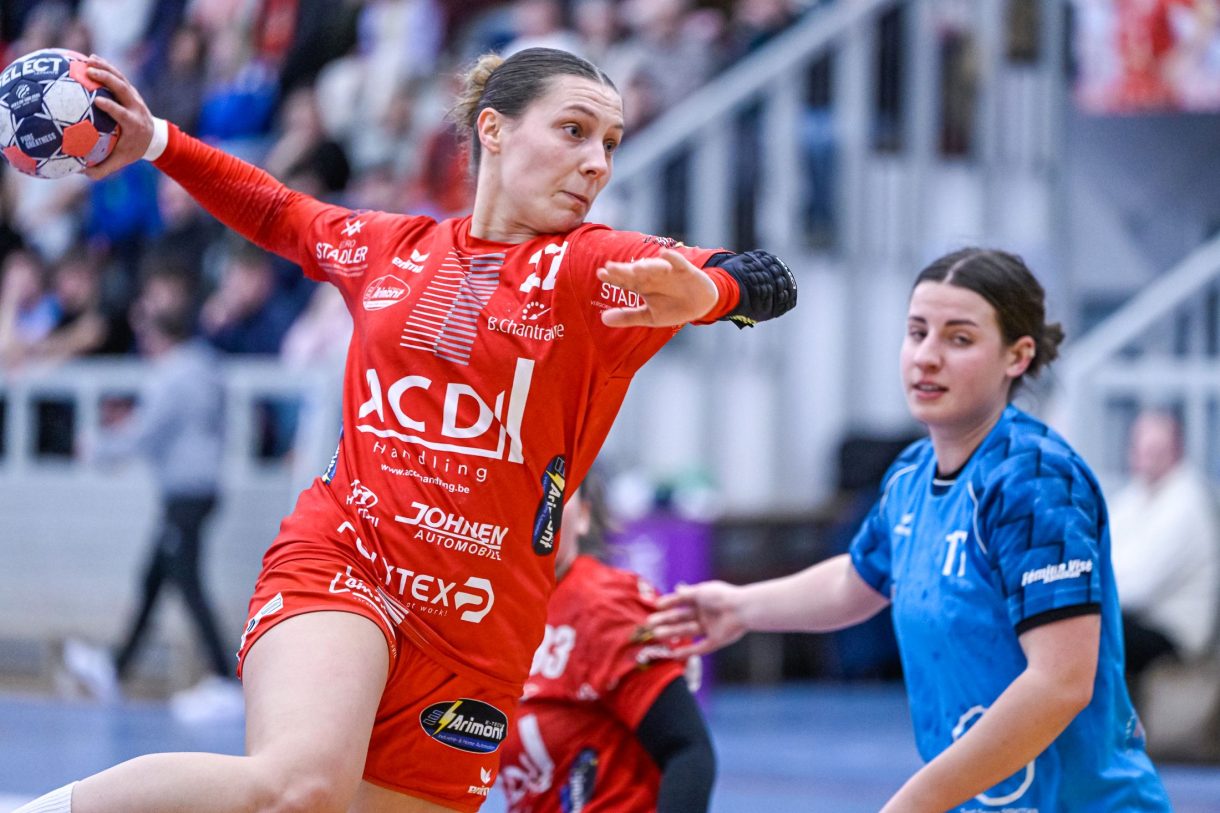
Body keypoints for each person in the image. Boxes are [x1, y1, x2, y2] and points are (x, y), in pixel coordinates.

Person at [17, 46, 795, 813]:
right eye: (574, 130)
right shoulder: (394, 249)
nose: (598, 162)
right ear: (493, 130)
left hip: (480, 633)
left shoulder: (598, 269)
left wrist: (710, 291)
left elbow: (770, 279)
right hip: (346, 563)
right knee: (300, 786)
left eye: (611, 143)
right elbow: (279, 213)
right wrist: (158, 142)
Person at [647, 248, 1172, 812]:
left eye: (959, 339)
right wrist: (742, 607)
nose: (926, 357)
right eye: (917, 333)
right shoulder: (908, 476)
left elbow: (1060, 682)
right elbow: (859, 578)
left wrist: (911, 805)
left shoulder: (1035, 479)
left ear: (1017, 356)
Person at [62, 273, 236, 722]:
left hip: (186, 492)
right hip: (197, 489)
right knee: (154, 579)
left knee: (187, 584)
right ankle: (115, 669)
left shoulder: (173, 376)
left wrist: (96, 448)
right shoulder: (206, 365)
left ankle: (224, 679)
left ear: (160, 335)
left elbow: (144, 434)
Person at [499, 473, 715, 812]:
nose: (542, 502)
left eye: (559, 490)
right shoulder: (498, 612)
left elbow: (688, 750)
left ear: (583, 517)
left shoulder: (605, 605)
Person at [1109, 407, 1220, 699]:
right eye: (1142, 448)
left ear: (1176, 449)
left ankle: (1109, 735)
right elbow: (1105, 558)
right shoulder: (1136, 494)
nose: (1147, 457)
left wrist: (1087, 596)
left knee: (1095, 634)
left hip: (1174, 631)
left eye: (1157, 449)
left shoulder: (1186, 502)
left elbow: (1138, 587)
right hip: (1138, 617)